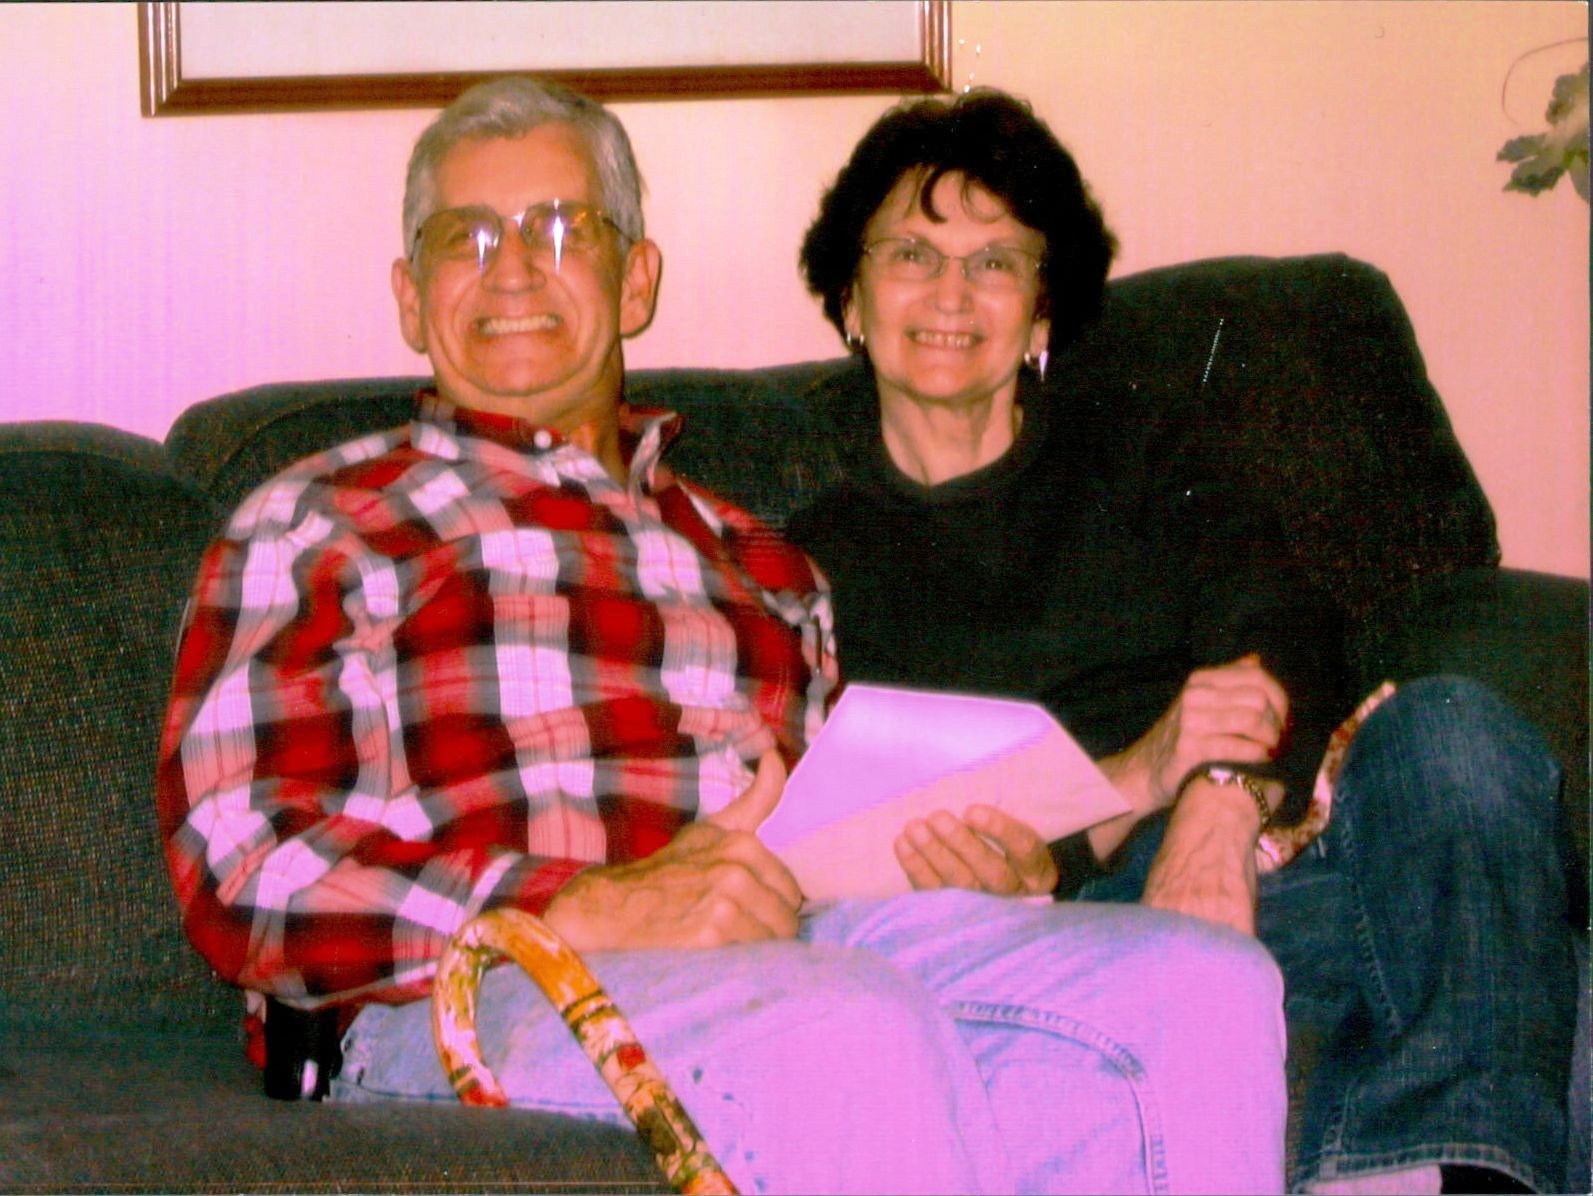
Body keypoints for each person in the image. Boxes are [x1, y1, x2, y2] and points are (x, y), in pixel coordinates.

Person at [155, 77, 1290, 1195]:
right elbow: (240, 863)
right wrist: (587, 904)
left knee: (1195, 980)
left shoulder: (764, 563)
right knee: (847, 1025)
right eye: (469, 236)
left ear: (635, 277)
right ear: (412, 298)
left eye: (562, 228)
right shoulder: (324, 520)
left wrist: (972, 866)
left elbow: (834, 836)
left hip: (797, 950)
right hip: (489, 987)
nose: (513, 268)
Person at [786, 88, 1578, 1194]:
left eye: (995, 261)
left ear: (1043, 309)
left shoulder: (1142, 454)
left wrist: (1218, 793)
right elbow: (835, 832)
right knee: (1541, 984)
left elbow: (1283, 623)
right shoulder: (804, 558)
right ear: (851, 295)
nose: (951, 294)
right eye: (912, 253)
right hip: (1073, 935)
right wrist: (1059, 850)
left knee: (1455, 728)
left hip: (1264, 864)